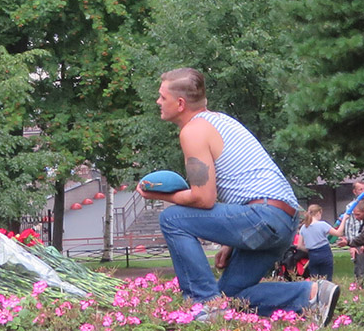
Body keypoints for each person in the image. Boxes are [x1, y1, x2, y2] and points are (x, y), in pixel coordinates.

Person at [138, 68, 340, 326]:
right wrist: (231, 243)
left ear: (180, 103)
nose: (158, 101)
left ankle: (204, 306)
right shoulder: (221, 121)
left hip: (264, 215)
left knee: (172, 218)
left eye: (161, 96)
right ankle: (311, 294)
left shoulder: (193, 131)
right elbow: (243, 187)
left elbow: (204, 198)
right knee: (231, 297)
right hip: (284, 219)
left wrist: (161, 195)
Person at [297, 204, 345, 280]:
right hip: (324, 253)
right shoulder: (322, 224)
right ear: (318, 213)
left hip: (312, 255)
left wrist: (309, 249)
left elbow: (299, 246)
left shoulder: (303, 227)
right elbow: (339, 233)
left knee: (314, 280)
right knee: (326, 279)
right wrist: (344, 220)